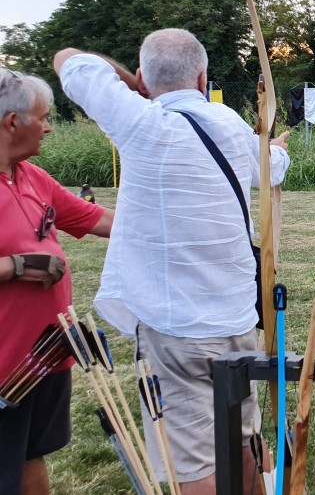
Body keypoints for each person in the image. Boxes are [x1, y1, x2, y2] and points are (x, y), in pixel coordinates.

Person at [54, 28, 290, 495]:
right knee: (245, 437)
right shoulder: (227, 123)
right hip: (239, 319)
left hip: (174, 326)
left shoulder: (140, 121)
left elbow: (70, 60)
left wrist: (134, 83)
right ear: (203, 77)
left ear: (142, 77)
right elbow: (272, 166)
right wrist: (275, 149)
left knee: (191, 457)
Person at [0, 68, 113, 494]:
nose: (49, 126)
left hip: (45, 353)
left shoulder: (32, 177)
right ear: (14, 122)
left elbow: (98, 219)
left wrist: (179, 224)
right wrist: (13, 265)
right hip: (3, 360)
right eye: (43, 117)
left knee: (32, 455)